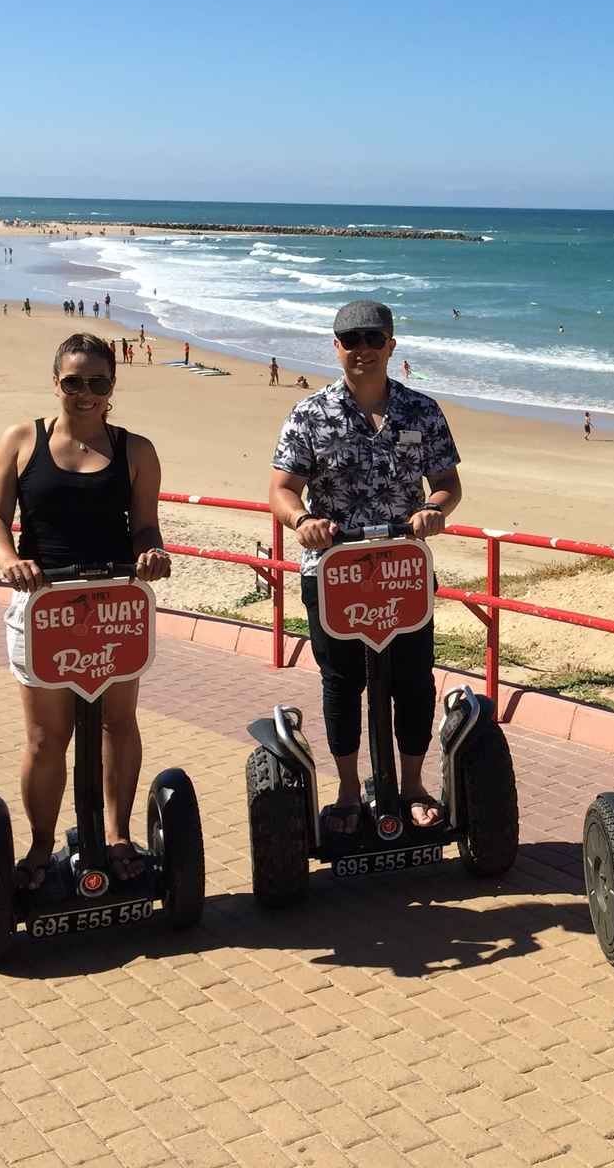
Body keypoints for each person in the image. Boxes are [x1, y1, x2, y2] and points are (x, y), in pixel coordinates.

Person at [0, 333, 172, 889]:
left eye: (97, 382)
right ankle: (41, 847)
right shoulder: (22, 440)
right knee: (47, 738)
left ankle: (117, 835)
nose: (85, 393)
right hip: (44, 603)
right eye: (73, 382)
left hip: (113, 605)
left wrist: (152, 554)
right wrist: (11, 561)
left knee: (119, 722)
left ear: (112, 384)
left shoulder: (136, 450)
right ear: (55, 382)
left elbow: (145, 525)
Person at [270, 301, 461, 836]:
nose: (363, 349)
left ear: (391, 345)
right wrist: (302, 520)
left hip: (403, 570)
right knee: (341, 681)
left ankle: (413, 785)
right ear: (336, 347)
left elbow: (447, 483)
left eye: (373, 339)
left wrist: (434, 509)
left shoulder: (422, 411)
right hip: (333, 571)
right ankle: (349, 791)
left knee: (414, 679)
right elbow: (282, 489)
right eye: (351, 340)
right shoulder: (309, 414)